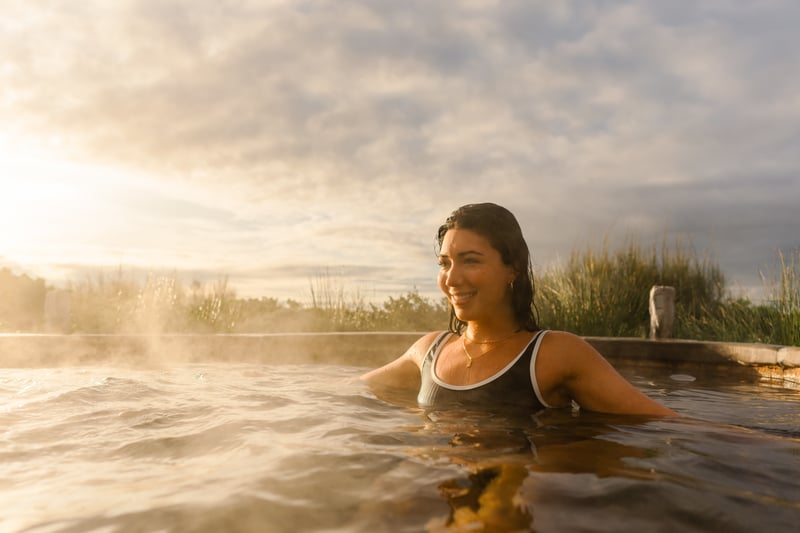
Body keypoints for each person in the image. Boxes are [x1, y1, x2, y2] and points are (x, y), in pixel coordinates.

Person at [361, 203, 677, 417]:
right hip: (435, 496)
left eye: (471, 261)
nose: (452, 278)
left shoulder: (554, 353)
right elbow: (351, 391)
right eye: (444, 264)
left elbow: (662, 422)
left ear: (512, 269)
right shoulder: (430, 350)